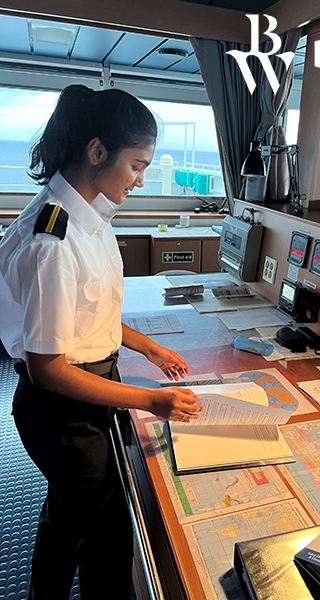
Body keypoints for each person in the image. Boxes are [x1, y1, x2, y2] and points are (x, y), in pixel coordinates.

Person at [0, 84, 202, 600]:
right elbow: (50, 368)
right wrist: (150, 400)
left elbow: (89, 317)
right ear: (97, 152)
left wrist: (143, 345)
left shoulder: (93, 217)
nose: (141, 178)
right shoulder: (54, 240)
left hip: (89, 388)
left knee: (67, 518)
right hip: (60, 408)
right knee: (109, 540)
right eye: (136, 165)